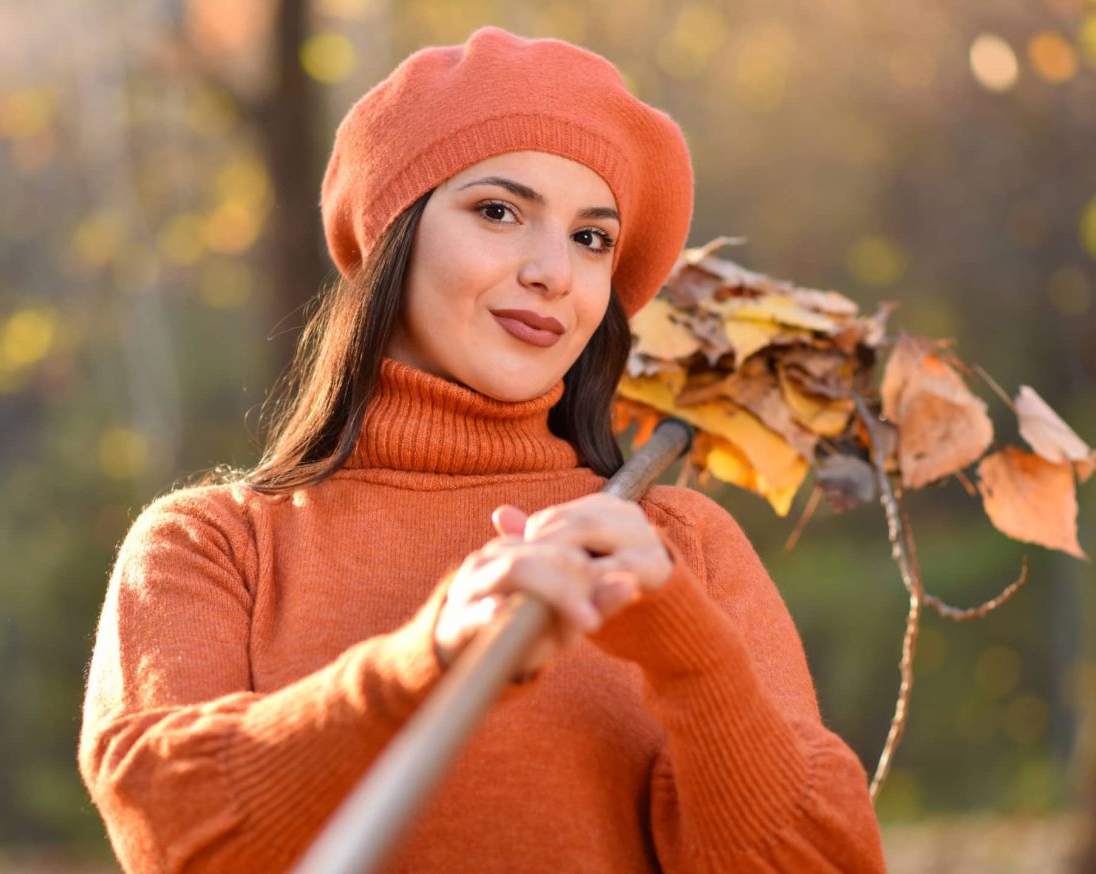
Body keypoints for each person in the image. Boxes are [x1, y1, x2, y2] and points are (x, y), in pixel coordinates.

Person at [78, 26, 886, 873]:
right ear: (395, 234)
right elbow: (172, 834)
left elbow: (825, 861)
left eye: (591, 238)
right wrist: (415, 663)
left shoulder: (676, 548)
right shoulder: (210, 546)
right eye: (499, 212)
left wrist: (687, 649)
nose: (552, 272)